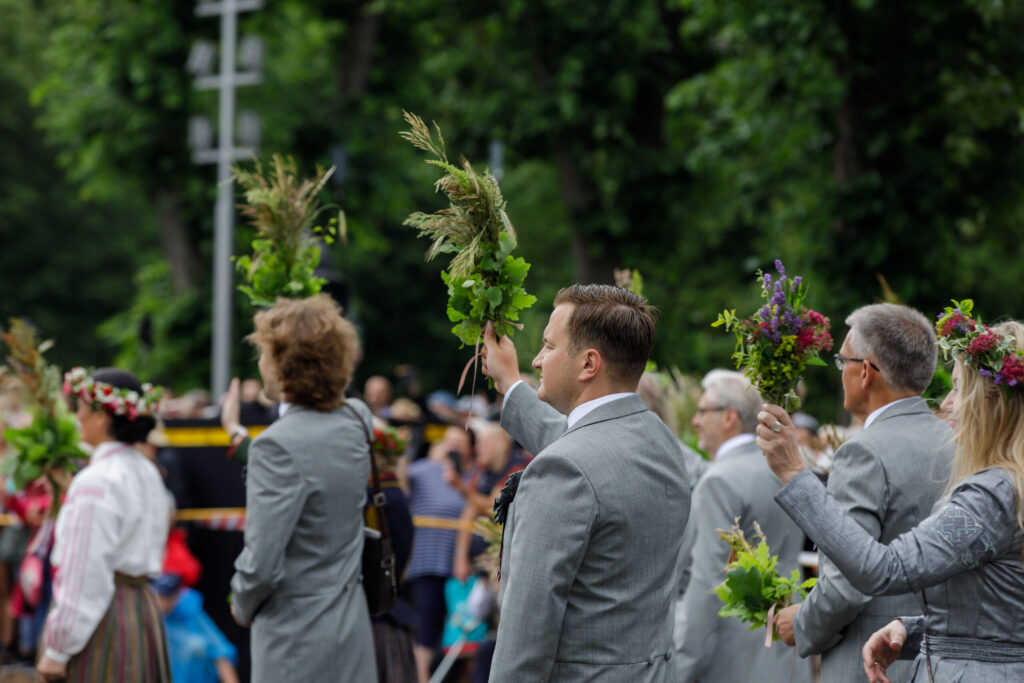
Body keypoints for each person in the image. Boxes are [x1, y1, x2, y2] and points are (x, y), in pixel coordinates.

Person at [757, 313, 1024, 683]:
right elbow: (997, 616)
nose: (945, 404)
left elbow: (880, 571)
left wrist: (795, 475)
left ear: (991, 402)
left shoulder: (991, 495)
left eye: (959, 388)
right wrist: (910, 631)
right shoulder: (1005, 483)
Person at [481, 283, 690, 681]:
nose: (538, 360)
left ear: (588, 364)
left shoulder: (564, 469)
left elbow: (523, 641)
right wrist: (510, 386)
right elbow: (590, 452)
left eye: (548, 345)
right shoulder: (660, 442)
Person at [771, 303, 955, 683]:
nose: (842, 375)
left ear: (866, 372)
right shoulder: (956, 438)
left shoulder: (863, 452)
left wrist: (800, 622)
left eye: (842, 363)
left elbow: (848, 583)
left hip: (872, 666)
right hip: (939, 661)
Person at [229, 294, 376, 682]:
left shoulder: (275, 445)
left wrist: (240, 603)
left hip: (295, 641)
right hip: (352, 626)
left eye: (264, 354)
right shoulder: (359, 419)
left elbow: (260, 564)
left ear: (283, 364)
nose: (260, 363)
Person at [673, 370, 810, 683]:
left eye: (703, 411)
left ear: (728, 417)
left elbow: (708, 581)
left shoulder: (719, 480)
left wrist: (685, 663)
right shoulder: (788, 469)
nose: (695, 421)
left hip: (732, 656)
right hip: (787, 647)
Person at [39, 367, 170, 682]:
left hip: (104, 621)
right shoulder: (146, 470)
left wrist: (58, 650)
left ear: (102, 417)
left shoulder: (97, 480)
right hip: (141, 611)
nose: (76, 416)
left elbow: (87, 571)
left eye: (82, 408)